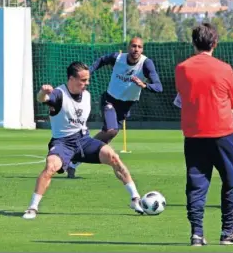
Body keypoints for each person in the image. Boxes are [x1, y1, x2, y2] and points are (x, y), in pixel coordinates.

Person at [22, 61, 144, 220]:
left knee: (113, 157)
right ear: (71, 79)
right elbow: (43, 99)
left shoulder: (86, 95)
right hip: (62, 143)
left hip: (84, 140)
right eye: (83, 80)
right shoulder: (59, 94)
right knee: (51, 167)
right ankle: (32, 207)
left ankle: (135, 198)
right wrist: (43, 92)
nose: (87, 83)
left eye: (88, 79)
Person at [175, 23, 233, 246]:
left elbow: (183, 96)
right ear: (215, 43)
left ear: (193, 42)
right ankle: (228, 231)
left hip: (194, 134)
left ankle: (197, 233)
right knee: (231, 181)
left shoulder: (182, 68)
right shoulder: (225, 68)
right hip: (223, 132)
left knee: (196, 184)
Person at [67, 37, 163, 178]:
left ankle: (75, 160)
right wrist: (89, 72)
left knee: (109, 135)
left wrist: (145, 85)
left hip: (126, 105)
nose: (136, 49)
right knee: (111, 130)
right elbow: (101, 60)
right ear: (128, 47)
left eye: (139, 47)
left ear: (142, 49)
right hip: (109, 99)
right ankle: (78, 153)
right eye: (133, 46)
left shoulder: (146, 64)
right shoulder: (117, 57)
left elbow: (158, 87)